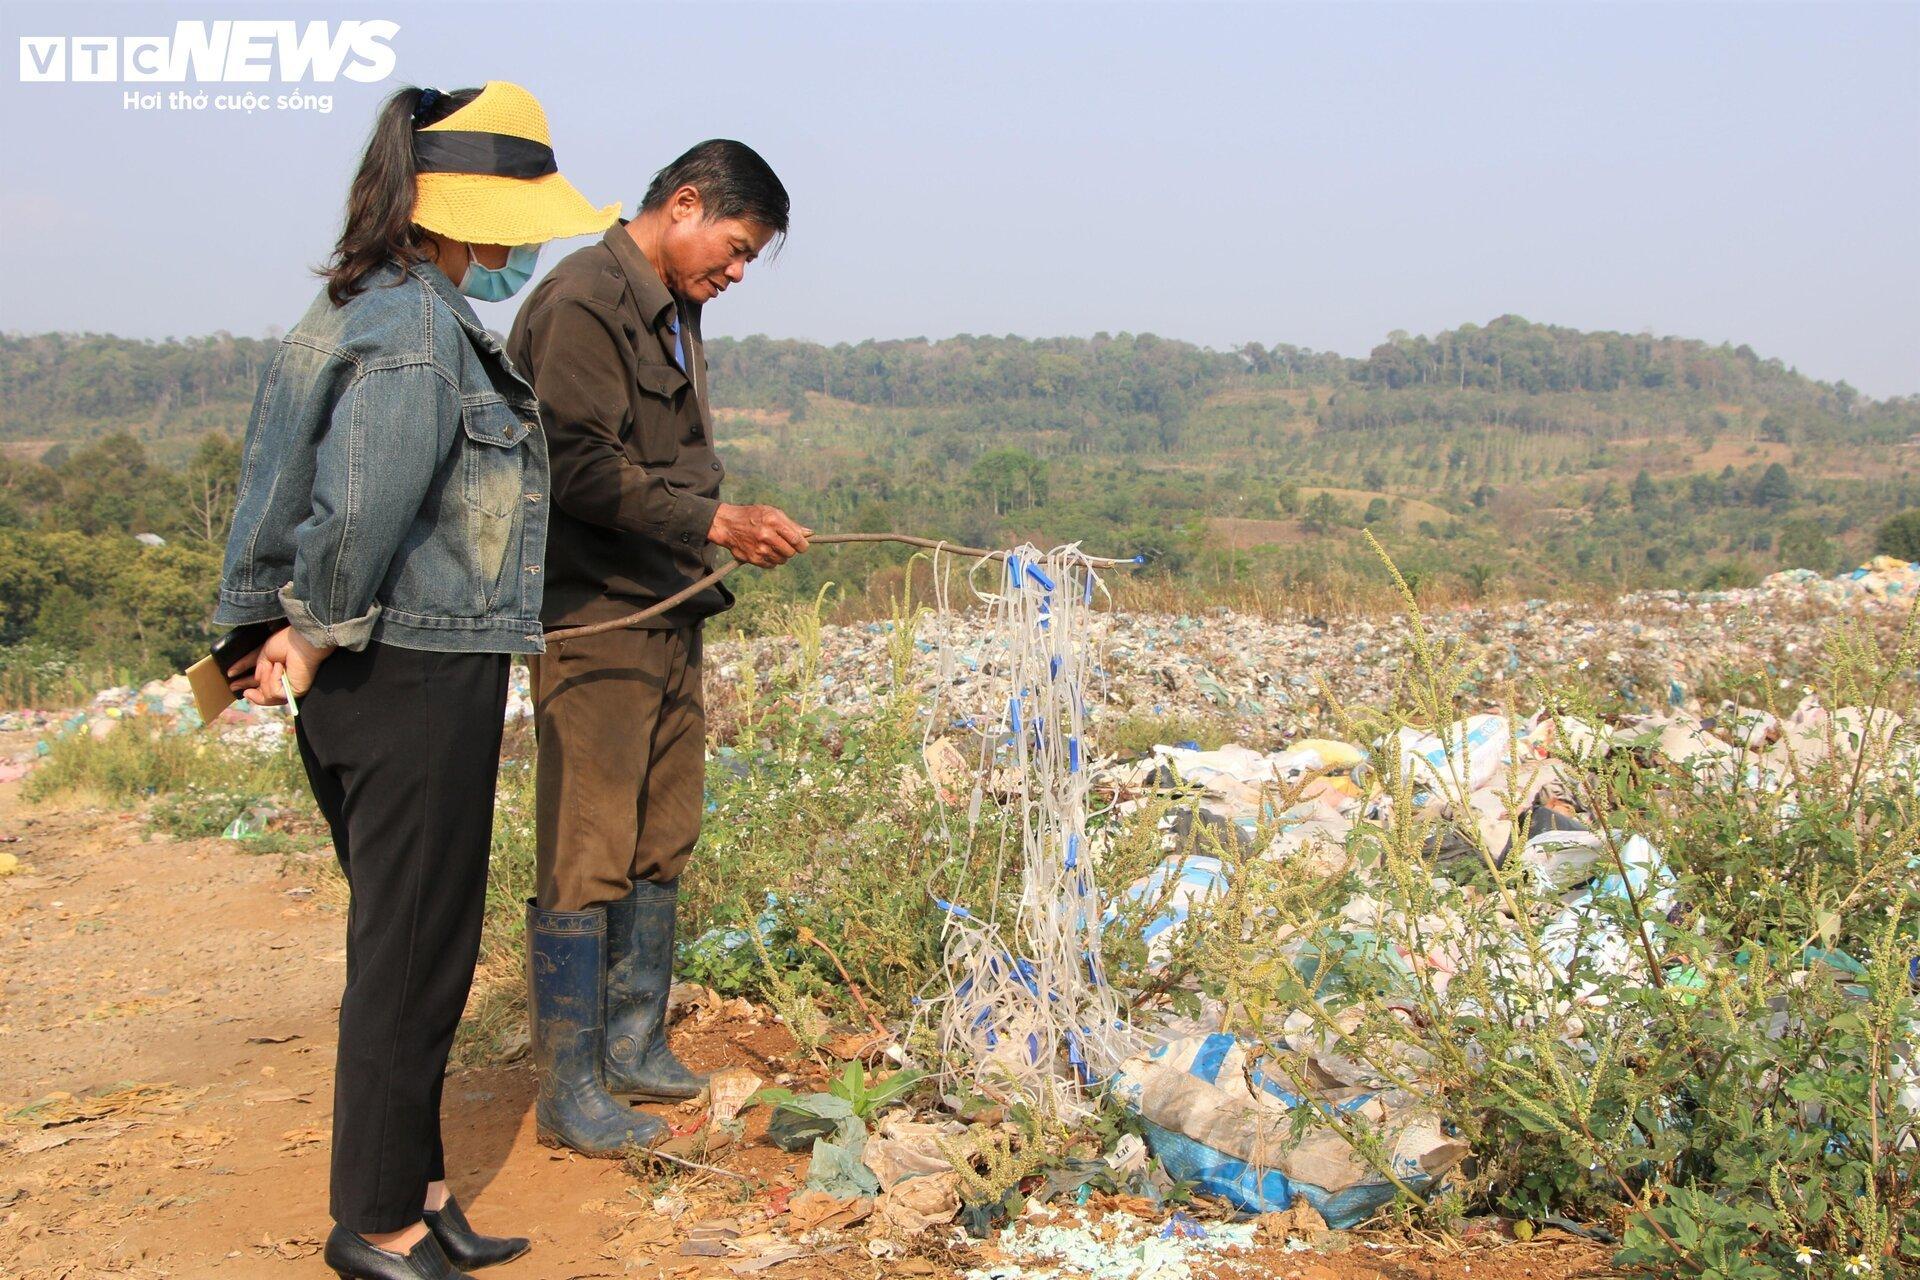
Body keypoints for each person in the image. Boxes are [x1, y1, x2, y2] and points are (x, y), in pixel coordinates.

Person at [213, 82, 619, 1280]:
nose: (519, 244)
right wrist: (322, 630)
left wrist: (281, 629)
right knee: (408, 955)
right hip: (403, 667)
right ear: (471, 212)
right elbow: (362, 508)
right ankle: (376, 1224)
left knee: (417, 938)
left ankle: (423, 1185)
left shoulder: (361, 308)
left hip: (380, 669)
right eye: (513, 217)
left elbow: (277, 491)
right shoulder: (418, 330)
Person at [506, 141, 810, 1154]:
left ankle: (633, 1041)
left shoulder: (672, 308)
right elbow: (575, 467)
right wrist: (719, 522)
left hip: (669, 602)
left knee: (660, 833)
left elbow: (669, 463)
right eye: (730, 251)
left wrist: (713, 536)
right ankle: (569, 1082)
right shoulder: (584, 299)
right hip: (596, 612)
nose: (731, 276)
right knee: (588, 846)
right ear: (683, 204)